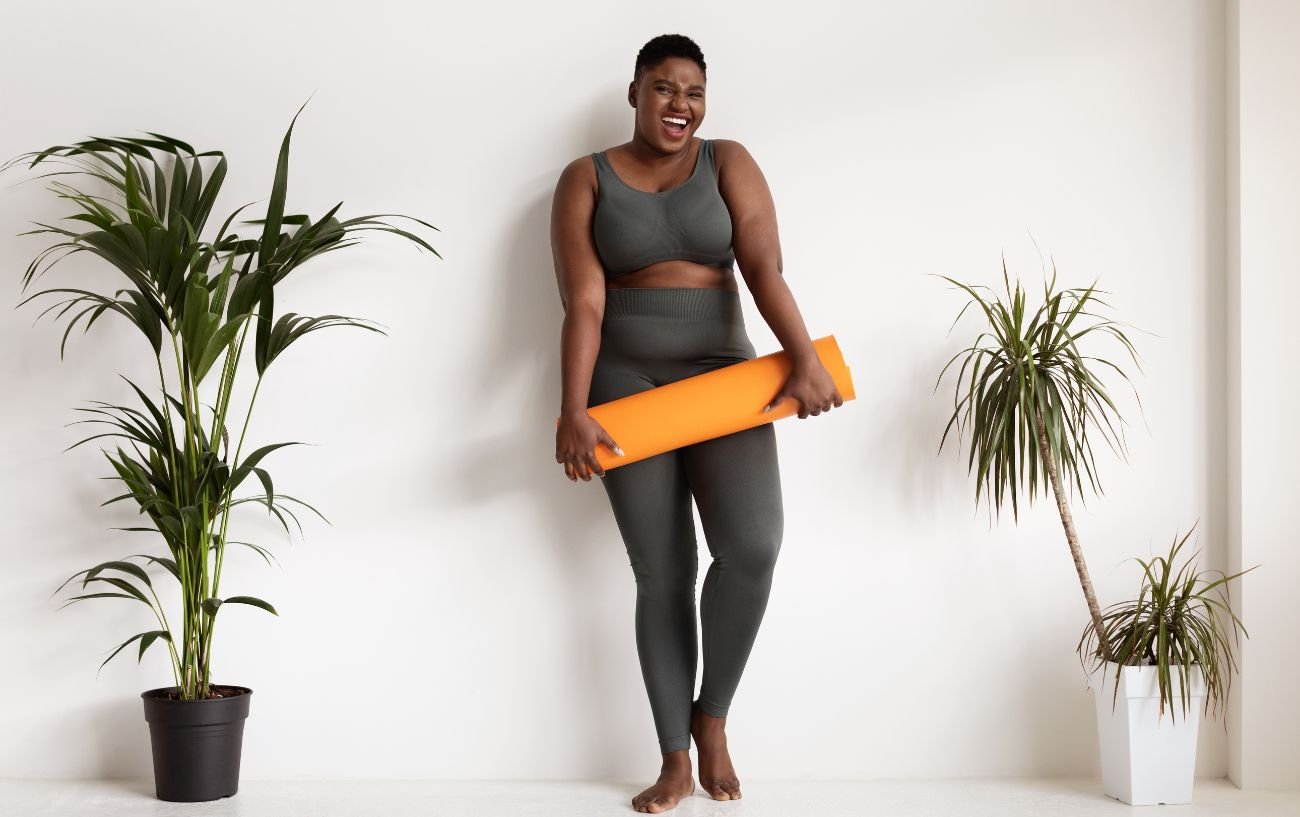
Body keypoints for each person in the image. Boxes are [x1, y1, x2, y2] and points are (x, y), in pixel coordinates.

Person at [550, 33, 842, 814]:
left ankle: (711, 717)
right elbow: (583, 301)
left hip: (722, 372)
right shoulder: (585, 179)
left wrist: (803, 358)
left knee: (752, 545)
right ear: (635, 91)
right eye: (663, 88)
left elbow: (764, 269)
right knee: (664, 571)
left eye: (693, 91)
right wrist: (573, 408)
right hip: (626, 381)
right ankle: (674, 757)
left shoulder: (729, 161)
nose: (679, 104)